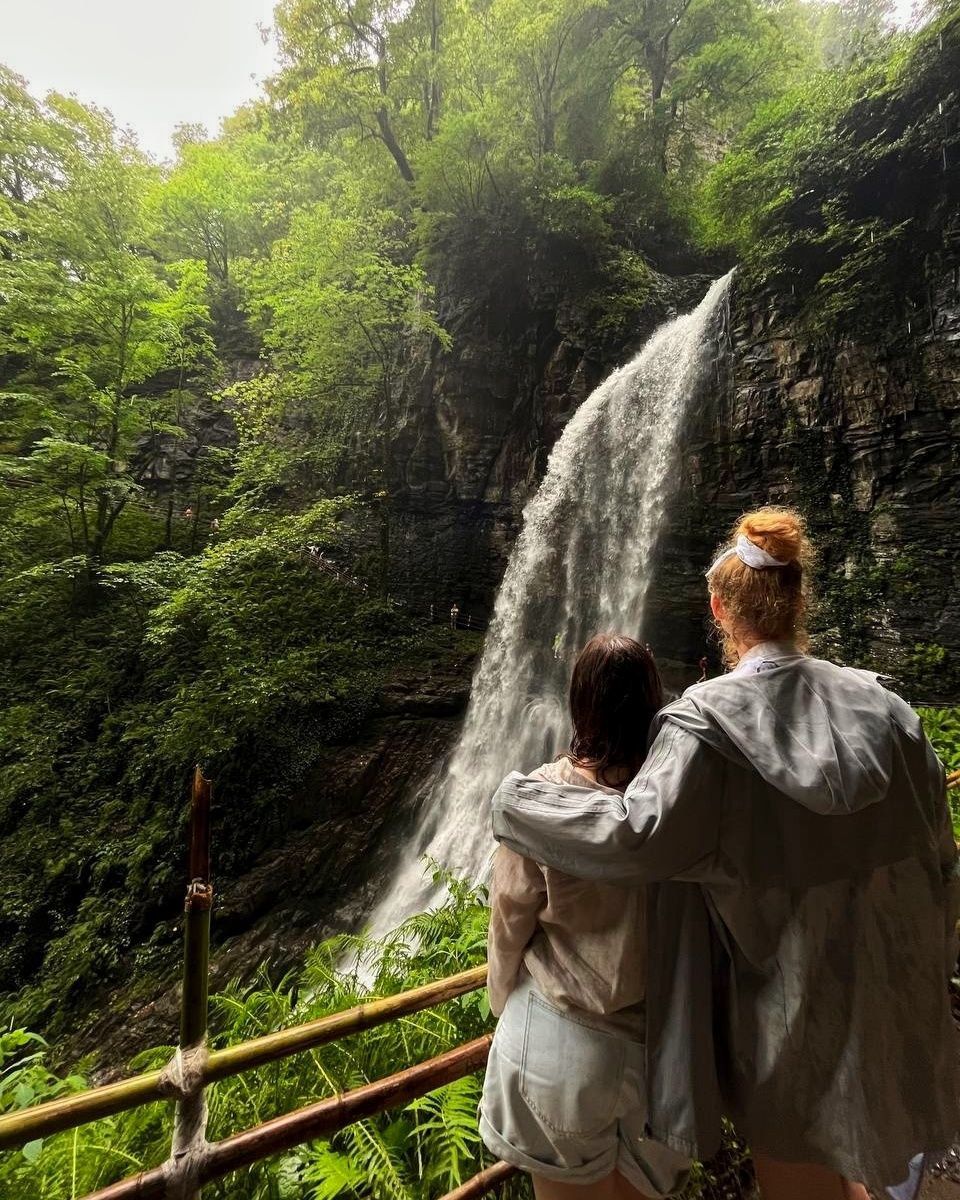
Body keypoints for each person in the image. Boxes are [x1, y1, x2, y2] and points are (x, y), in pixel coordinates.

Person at [491, 507, 959, 1200]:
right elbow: (940, 855)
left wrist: (514, 803)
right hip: (886, 983)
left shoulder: (709, 724)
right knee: (854, 1167)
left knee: (798, 1171)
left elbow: (633, 836)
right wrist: (932, 963)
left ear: (718, 609)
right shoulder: (887, 710)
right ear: (799, 600)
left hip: (782, 1005)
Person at [481, 634, 689, 1200]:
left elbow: (510, 916)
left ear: (578, 704)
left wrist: (499, 997)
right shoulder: (679, 805)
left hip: (557, 1043)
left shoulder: (541, 799)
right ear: (654, 704)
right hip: (660, 1054)